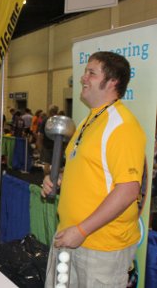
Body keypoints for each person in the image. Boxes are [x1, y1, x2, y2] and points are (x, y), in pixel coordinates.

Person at [41, 51, 146, 287]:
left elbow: (128, 190)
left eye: (91, 73)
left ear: (112, 82)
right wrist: (58, 179)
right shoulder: (90, 121)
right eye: (85, 72)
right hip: (70, 237)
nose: (83, 78)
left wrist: (81, 230)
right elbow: (89, 172)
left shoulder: (123, 126)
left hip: (101, 248)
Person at [39, 104, 59, 175]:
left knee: (47, 164)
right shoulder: (58, 120)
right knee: (56, 164)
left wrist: (40, 144)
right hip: (56, 144)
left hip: (47, 144)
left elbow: (41, 134)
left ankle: (46, 180)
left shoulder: (45, 120)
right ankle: (53, 181)